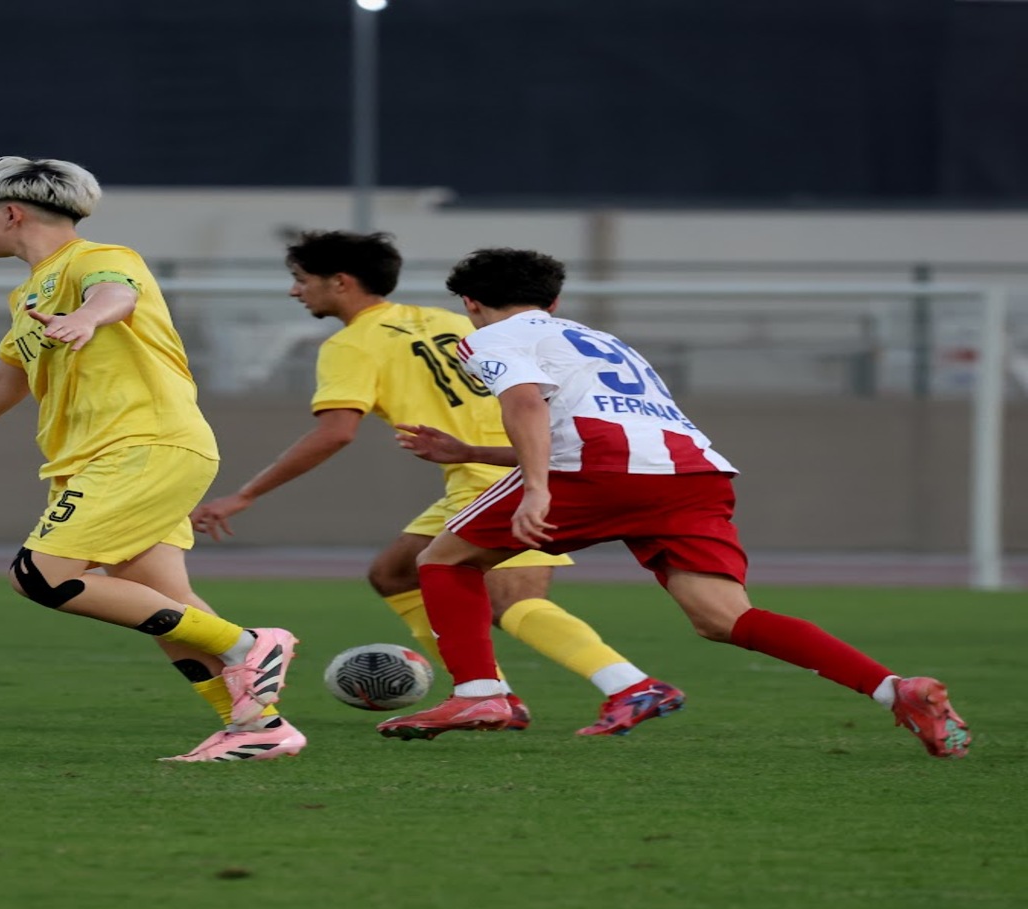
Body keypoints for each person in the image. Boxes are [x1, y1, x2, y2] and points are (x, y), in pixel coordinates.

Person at [381, 247, 971, 759]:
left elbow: (527, 405)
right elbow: (596, 426)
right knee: (724, 618)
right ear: (554, 301)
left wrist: (536, 488)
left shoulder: (490, 337)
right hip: (693, 473)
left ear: (470, 302)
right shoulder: (604, 340)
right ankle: (897, 690)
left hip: (600, 470)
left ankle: (480, 695)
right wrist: (472, 452)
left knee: (445, 560)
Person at [0, 156, 303, 763]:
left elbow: (116, 294)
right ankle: (256, 726)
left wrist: (86, 317)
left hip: (143, 445)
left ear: (12, 213)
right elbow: (7, 380)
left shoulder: (96, 259)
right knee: (160, 602)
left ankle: (247, 644)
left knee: (40, 576)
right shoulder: (27, 294)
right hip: (105, 457)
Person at [192, 231, 683, 736]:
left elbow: (335, 432)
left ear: (340, 282)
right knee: (394, 573)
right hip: (496, 466)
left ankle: (629, 685)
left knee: (512, 599)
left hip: (512, 470)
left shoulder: (352, 343)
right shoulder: (450, 319)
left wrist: (244, 495)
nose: (295, 291)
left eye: (301, 279)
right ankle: (492, 693)